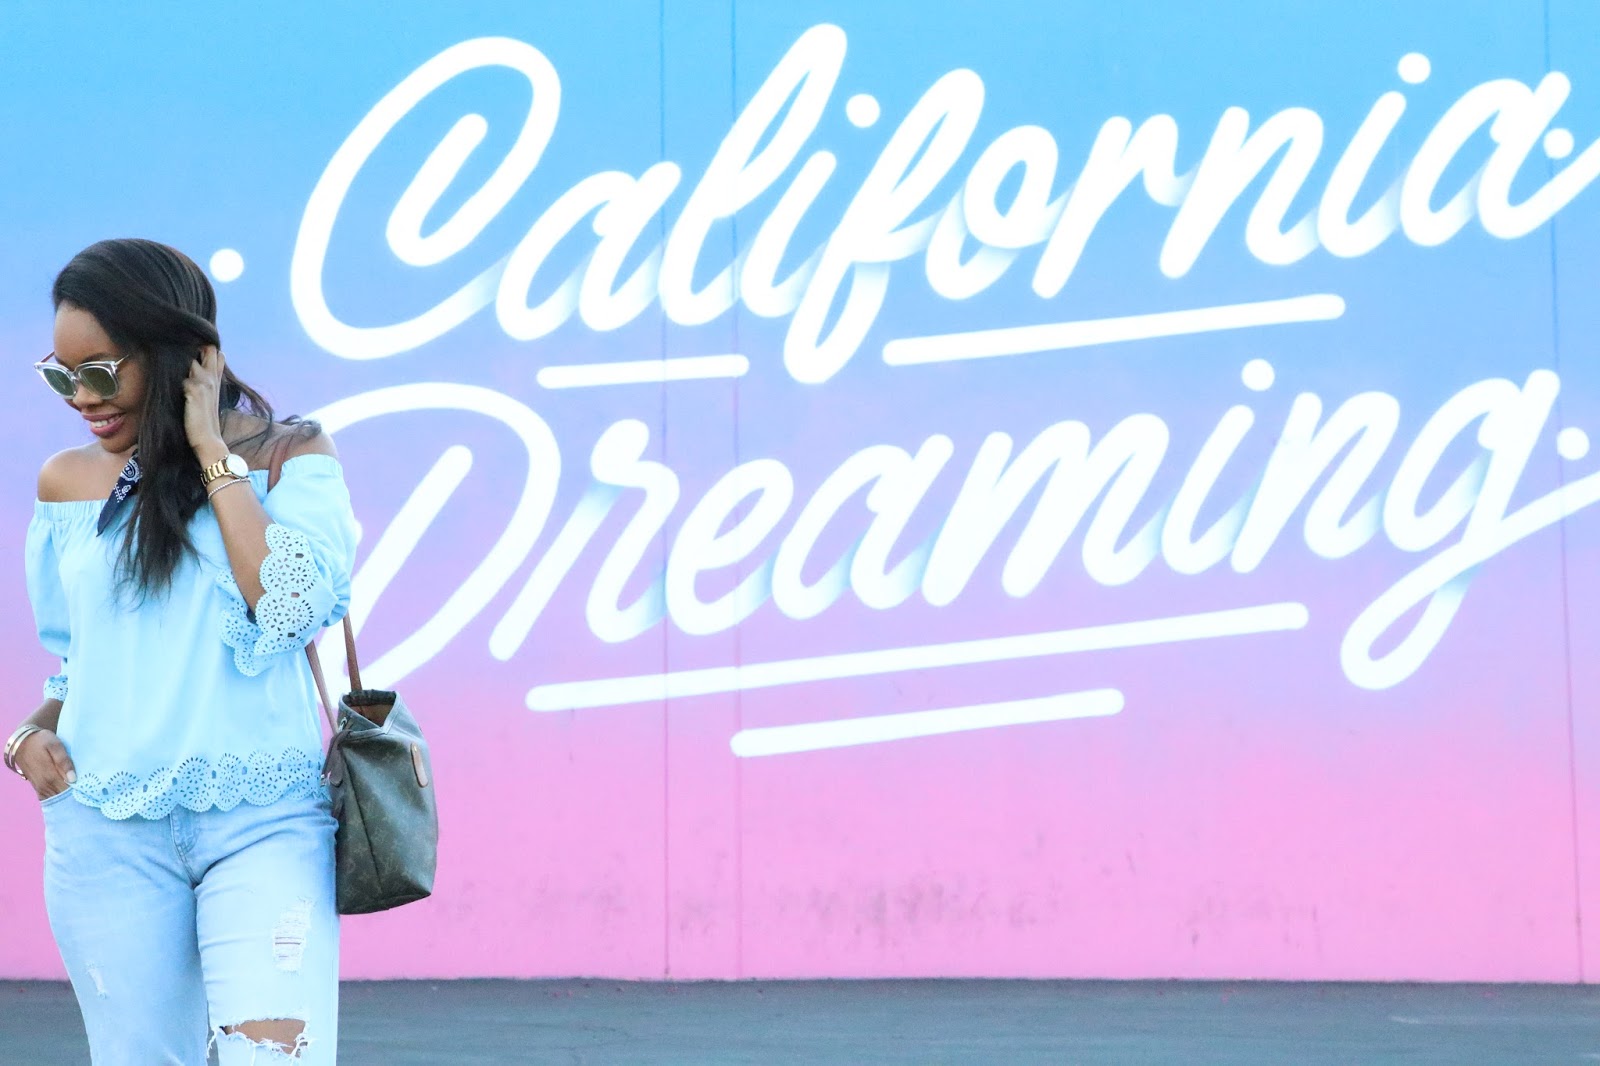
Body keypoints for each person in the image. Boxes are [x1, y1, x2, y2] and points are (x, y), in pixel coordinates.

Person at [5, 238, 358, 1064]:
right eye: (62, 376)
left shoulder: (288, 456)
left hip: (262, 825)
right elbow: (79, 664)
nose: (82, 399)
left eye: (101, 373)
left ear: (184, 355)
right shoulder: (66, 483)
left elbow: (290, 609)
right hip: (104, 831)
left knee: (278, 1056)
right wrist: (26, 737)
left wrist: (211, 454)